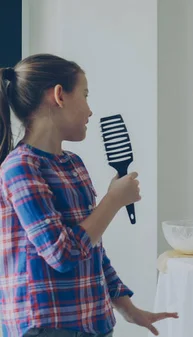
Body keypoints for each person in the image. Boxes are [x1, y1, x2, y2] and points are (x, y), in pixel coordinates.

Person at [0, 54, 177, 337]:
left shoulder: (73, 164)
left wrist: (129, 310)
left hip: (94, 325)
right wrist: (113, 200)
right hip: (45, 328)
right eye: (84, 95)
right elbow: (62, 253)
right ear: (59, 95)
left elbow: (91, 250)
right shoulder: (20, 168)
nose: (90, 111)